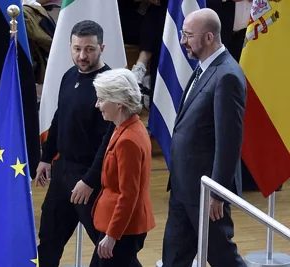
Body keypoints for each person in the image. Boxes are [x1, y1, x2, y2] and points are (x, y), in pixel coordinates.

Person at [162, 8, 247, 267]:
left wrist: (217, 192)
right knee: (174, 257)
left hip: (206, 193)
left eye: (188, 35)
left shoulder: (227, 75)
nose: (182, 41)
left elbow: (229, 141)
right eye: (182, 33)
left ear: (209, 37)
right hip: (183, 187)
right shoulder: (204, 68)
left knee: (222, 258)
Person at [34, 20, 111, 267]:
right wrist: (46, 157)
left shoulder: (109, 86)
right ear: (69, 46)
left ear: (102, 48)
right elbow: (60, 117)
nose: (82, 55)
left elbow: (108, 143)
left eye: (89, 49)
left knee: (108, 247)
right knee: (48, 240)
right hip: (62, 174)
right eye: (77, 48)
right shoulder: (69, 76)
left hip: (90, 180)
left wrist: (89, 181)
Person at [91, 69, 155, 267]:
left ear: (118, 102)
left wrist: (112, 235)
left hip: (123, 229)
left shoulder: (128, 140)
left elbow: (128, 195)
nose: (97, 105)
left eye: (101, 99)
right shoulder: (128, 128)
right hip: (120, 225)